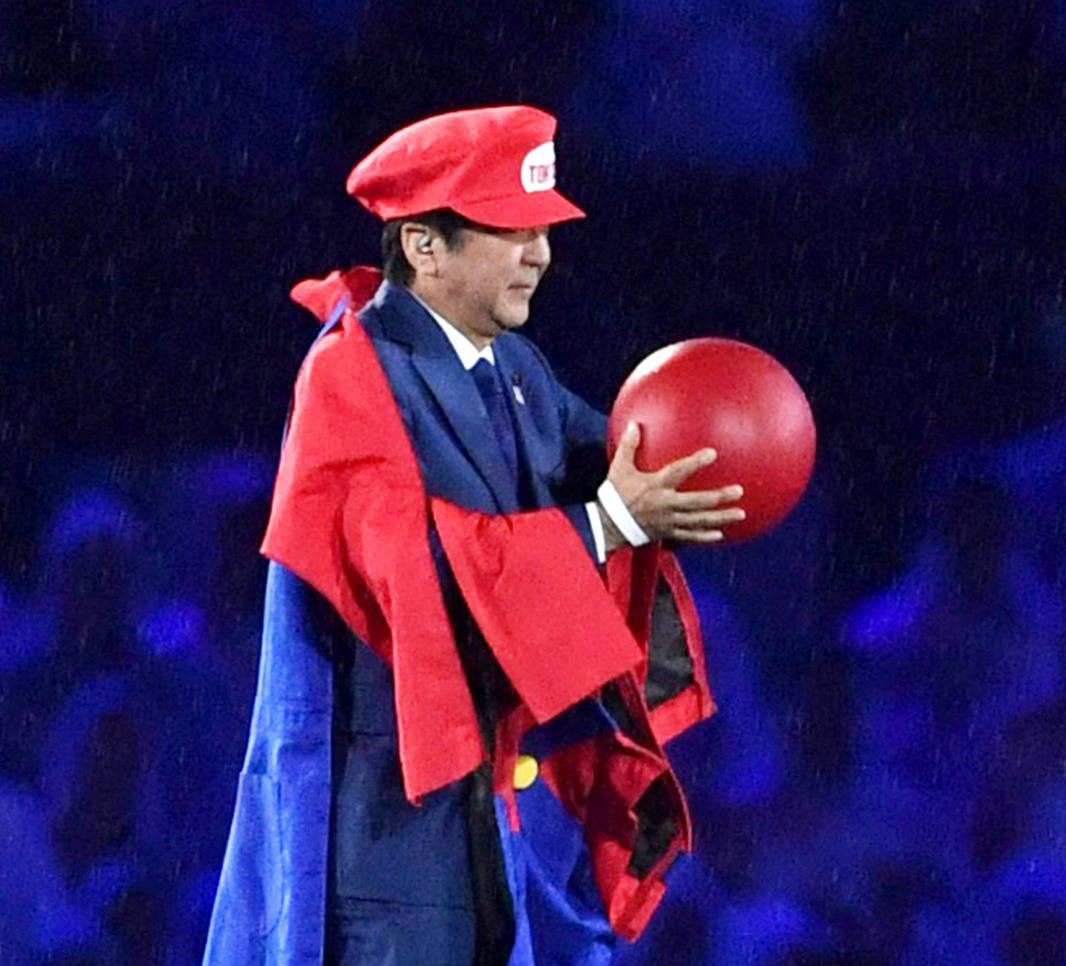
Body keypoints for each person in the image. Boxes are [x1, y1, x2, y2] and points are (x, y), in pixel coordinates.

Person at [203, 105, 744, 966]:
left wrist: (710, 462)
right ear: (423, 246)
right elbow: (415, 576)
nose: (542, 253)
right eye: (513, 229)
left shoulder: (515, 370)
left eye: (544, 229)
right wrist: (610, 522)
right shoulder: (350, 376)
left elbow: (617, 464)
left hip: (486, 825)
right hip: (381, 843)